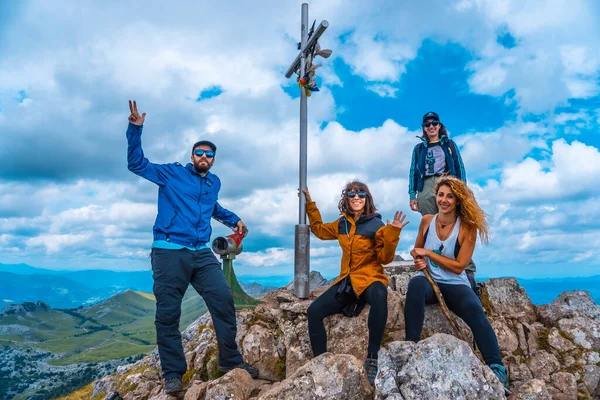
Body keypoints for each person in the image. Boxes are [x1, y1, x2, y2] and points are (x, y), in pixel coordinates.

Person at [125, 100, 258, 395]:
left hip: (200, 252)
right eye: (200, 152)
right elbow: (136, 164)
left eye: (210, 155)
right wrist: (135, 130)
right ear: (192, 155)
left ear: (213, 160)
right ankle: (173, 374)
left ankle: (230, 361)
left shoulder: (213, 183)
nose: (204, 157)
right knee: (168, 314)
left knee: (223, 299)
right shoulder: (172, 174)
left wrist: (234, 220)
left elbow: (214, 207)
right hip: (169, 251)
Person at [403, 176, 511, 395]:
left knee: (474, 309)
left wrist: (429, 254)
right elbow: (417, 250)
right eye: (441, 195)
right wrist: (419, 258)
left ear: (458, 200)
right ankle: (410, 347)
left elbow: (460, 266)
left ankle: (496, 367)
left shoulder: (466, 228)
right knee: (415, 286)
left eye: (450, 196)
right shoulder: (426, 222)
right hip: (430, 281)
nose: (444, 200)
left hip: (455, 284)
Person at [302, 181, 409, 386]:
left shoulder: (376, 225)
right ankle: (321, 361)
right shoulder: (342, 223)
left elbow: (385, 258)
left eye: (361, 194)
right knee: (314, 311)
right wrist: (309, 205)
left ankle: (372, 357)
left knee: (379, 295)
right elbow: (319, 230)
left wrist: (393, 232)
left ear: (367, 198)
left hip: (370, 278)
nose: (357, 197)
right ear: (347, 200)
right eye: (352, 195)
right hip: (348, 281)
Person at [408, 111, 478, 281]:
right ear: (423, 128)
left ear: (439, 126)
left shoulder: (449, 145)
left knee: (458, 222)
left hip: (447, 183)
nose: (431, 126)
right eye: (427, 124)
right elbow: (413, 172)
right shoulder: (418, 149)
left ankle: (466, 266)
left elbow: (459, 167)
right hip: (425, 186)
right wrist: (412, 194)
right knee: (430, 225)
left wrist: (462, 190)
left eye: (434, 123)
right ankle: (426, 264)